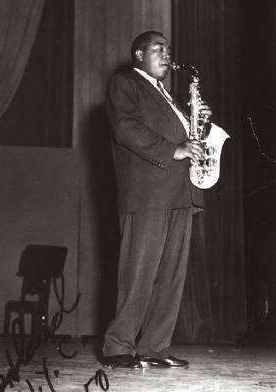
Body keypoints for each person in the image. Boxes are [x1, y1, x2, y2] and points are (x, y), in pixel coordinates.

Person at [102, 31, 212, 369]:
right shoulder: (125, 83)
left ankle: (154, 347)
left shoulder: (168, 95)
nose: (166, 55)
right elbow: (125, 128)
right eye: (158, 49)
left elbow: (185, 137)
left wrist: (200, 122)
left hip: (180, 192)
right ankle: (118, 346)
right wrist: (172, 149)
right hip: (149, 194)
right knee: (139, 272)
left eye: (168, 49)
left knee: (171, 276)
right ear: (138, 54)